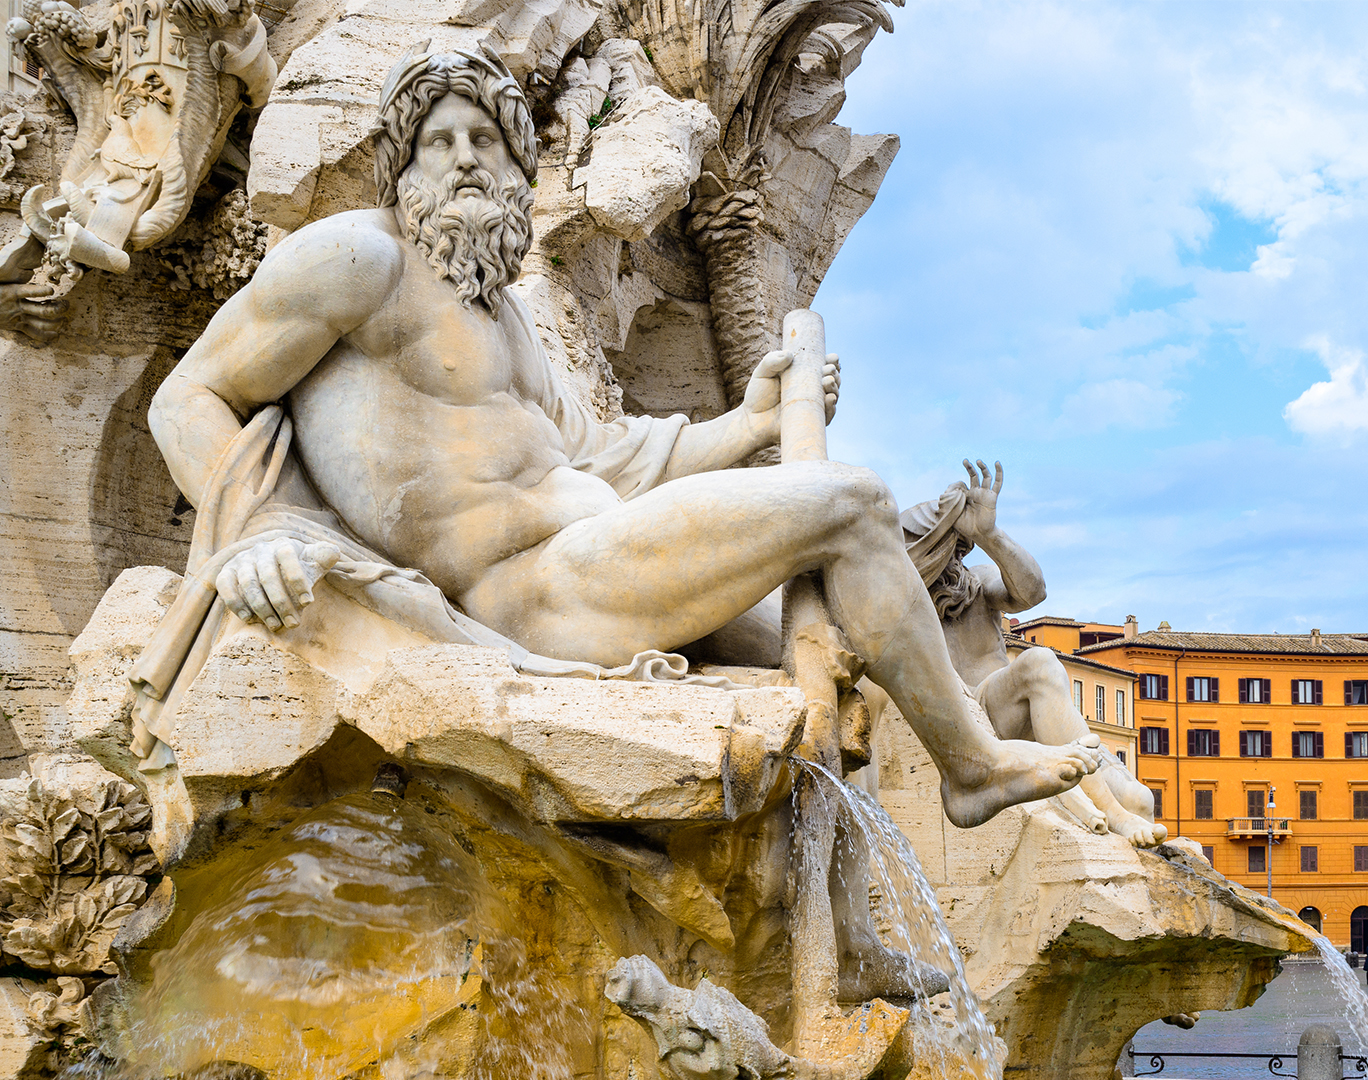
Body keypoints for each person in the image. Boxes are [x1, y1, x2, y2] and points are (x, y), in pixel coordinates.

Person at [142, 47, 1099, 831]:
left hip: (597, 557)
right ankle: (972, 769)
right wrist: (256, 528)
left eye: (486, 139)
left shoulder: (505, 316)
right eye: (439, 142)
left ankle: (952, 764)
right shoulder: (360, 259)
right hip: (530, 593)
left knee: (851, 651)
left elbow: (604, 459)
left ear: (521, 169)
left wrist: (751, 423)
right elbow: (188, 395)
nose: (466, 157)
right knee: (852, 502)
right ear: (405, 167)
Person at [897, 465, 1164, 846]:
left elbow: (1032, 592)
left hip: (1014, 710)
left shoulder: (976, 583)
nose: (951, 563)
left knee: (1142, 798)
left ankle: (1128, 823)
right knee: (1039, 662)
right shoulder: (902, 610)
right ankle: (1115, 816)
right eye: (942, 553)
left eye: (956, 552)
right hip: (967, 722)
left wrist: (989, 535)